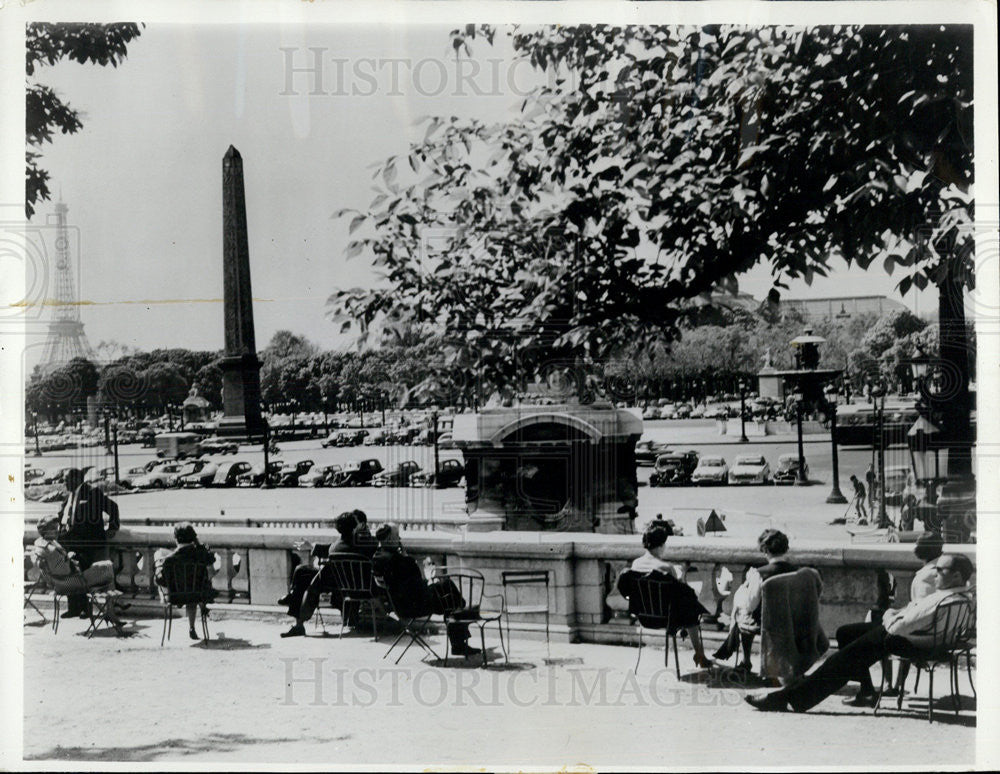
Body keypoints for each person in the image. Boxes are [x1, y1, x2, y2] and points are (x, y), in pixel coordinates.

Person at [745, 553, 975, 713]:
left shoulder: (940, 599)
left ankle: (791, 696)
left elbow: (896, 628)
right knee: (847, 633)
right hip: (933, 641)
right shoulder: (963, 597)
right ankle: (866, 690)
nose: (934, 574)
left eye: (940, 570)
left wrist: (889, 616)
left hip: (907, 641)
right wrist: (897, 614)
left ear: (956, 576)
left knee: (842, 660)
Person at [372, 524, 480, 657]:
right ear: (389, 539)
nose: (399, 538)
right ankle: (459, 639)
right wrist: (408, 558)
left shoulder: (377, 557)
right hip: (414, 607)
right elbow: (418, 581)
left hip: (398, 606)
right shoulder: (400, 561)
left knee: (449, 596)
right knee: (449, 591)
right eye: (397, 536)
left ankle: (461, 615)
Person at [627, 521, 710, 668]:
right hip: (667, 620)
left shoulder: (635, 565)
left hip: (644, 618)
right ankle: (700, 654)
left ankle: (697, 650)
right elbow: (680, 590)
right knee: (691, 608)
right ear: (661, 546)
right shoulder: (666, 567)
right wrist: (681, 573)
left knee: (687, 606)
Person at [713, 529, 796, 669]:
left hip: (767, 623)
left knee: (741, 614)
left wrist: (749, 581)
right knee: (741, 612)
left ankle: (745, 660)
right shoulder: (796, 571)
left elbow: (751, 605)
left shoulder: (761, 574)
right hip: (790, 620)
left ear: (765, 550)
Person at [280, 512, 362, 637]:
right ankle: (293, 600)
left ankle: (297, 619)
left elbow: (328, 549)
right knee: (302, 573)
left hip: (333, 582)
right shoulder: (353, 543)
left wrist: (312, 547)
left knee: (301, 572)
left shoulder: (337, 546)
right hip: (340, 580)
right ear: (354, 527)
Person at [32, 515, 123, 627]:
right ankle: (110, 614)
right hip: (70, 583)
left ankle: (109, 614)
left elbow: (57, 568)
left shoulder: (40, 544)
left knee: (106, 573)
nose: (57, 531)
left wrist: (67, 557)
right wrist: (70, 559)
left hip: (58, 583)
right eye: (54, 529)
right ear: (46, 531)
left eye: (57, 528)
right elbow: (65, 570)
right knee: (108, 568)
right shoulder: (51, 548)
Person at [57, 469, 121, 617]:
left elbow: (113, 507)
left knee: (84, 576)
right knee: (69, 573)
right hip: (72, 544)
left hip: (89, 545)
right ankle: (74, 608)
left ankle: (86, 609)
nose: (64, 483)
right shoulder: (68, 497)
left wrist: (113, 527)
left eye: (66, 480)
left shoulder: (92, 493)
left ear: (76, 479)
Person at [155, 522, 217, 640]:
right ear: (193, 537)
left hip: (174, 597)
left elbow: (160, 580)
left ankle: (163, 599)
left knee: (160, 578)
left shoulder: (169, 560)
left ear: (176, 538)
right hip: (196, 595)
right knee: (196, 585)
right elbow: (212, 558)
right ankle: (192, 627)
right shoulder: (200, 555)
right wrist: (199, 544)